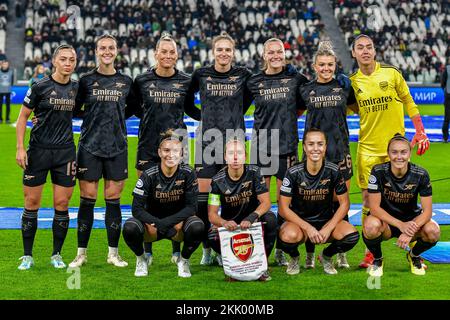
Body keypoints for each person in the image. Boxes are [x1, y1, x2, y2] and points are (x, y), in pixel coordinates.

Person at [349, 34, 430, 268]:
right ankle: (370, 254)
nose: (365, 51)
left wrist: (420, 131)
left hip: (396, 149)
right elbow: (350, 110)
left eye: (369, 47)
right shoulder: (352, 82)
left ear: (374, 51)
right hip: (368, 150)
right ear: (353, 53)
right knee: (367, 201)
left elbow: (409, 101)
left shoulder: (391, 73)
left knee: (406, 194)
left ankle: (413, 243)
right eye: (360, 48)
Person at [68, 34, 137, 268]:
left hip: (117, 147)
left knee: (113, 200)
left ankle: (113, 254)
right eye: (102, 48)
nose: (107, 51)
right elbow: (74, 109)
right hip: (90, 146)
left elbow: (134, 108)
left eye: (111, 48)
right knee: (87, 200)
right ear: (96, 51)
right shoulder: (86, 81)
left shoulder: (126, 82)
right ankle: (81, 253)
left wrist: (114, 119)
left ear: (116, 51)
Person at [133, 33, 201, 264]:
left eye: (172, 52)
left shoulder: (186, 80)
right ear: (155, 54)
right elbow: (133, 108)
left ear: (177, 55)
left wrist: (213, 119)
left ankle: (176, 250)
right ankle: (147, 252)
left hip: (177, 147)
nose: (168, 56)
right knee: (148, 199)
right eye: (164, 51)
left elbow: (191, 108)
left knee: (177, 198)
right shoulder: (141, 80)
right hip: (147, 146)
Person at [187, 31, 253, 265]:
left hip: (234, 144)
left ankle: (231, 247)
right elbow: (187, 101)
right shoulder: (201, 74)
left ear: (233, 53)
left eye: (228, 50)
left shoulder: (243, 75)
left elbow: (248, 101)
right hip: (207, 144)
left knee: (234, 197)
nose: (224, 53)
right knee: (203, 201)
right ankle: (207, 248)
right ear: (213, 52)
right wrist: (202, 116)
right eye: (220, 49)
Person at [246, 38, 308, 267]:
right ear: (264, 55)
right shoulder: (254, 81)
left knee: (285, 203)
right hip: (262, 147)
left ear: (284, 54)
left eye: (279, 52)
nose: (275, 55)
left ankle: (282, 248)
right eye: (270, 52)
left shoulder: (296, 78)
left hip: (287, 147)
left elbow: (303, 104)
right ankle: (257, 247)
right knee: (259, 201)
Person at [15, 44, 78, 270]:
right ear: (54, 61)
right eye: (63, 59)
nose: (68, 63)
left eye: (72, 60)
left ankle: (56, 254)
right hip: (38, 151)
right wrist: (20, 148)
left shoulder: (77, 88)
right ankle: (27, 255)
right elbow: (23, 117)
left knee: (62, 204)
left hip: (65, 153)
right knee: (31, 203)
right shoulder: (39, 86)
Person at [297, 41, 356, 269]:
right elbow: (298, 113)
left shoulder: (344, 87)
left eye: (330, 64)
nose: (325, 68)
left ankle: (340, 252)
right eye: (321, 65)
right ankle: (310, 254)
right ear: (314, 66)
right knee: (310, 204)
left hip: (340, 153)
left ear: (335, 65)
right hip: (313, 156)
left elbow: (356, 109)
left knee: (341, 203)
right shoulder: (305, 89)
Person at [122, 130, 204, 277]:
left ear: (181, 154)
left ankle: (184, 261)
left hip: (177, 226)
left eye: (175, 151)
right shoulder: (148, 174)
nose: (170, 155)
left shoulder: (188, 173)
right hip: (152, 226)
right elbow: (137, 209)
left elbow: (192, 207)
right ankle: (141, 260)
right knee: (129, 228)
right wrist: (157, 223)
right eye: (166, 150)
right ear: (159, 152)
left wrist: (168, 223)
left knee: (197, 226)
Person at [278, 129, 360, 275]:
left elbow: (345, 204)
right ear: (304, 147)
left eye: (320, 144)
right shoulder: (293, 172)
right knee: (286, 236)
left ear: (325, 147)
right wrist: (308, 228)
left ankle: (326, 256)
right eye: (311, 144)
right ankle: (295, 257)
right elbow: (283, 208)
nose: (315, 148)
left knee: (351, 235)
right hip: (300, 226)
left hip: (326, 224)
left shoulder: (334, 170)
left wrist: (328, 228)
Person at [363, 134, 440, 276]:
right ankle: (378, 259)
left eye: (403, 152)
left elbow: (427, 212)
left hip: (411, 222)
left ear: (409, 153)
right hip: (386, 223)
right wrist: (400, 225)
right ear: (388, 154)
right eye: (394, 152)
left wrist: (409, 229)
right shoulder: (378, 171)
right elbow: (374, 208)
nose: (399, 157)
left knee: (433, 231)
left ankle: (414, 255)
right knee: (370, 226)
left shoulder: (421, 174)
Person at [207, 137, 277, 281]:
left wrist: (252, 217)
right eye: (231, 153)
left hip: (253, 220)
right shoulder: (217, 180)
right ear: (225, 157)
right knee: (210, 236)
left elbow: (266, 203)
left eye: (239, 152)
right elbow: (212, 215)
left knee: (270, 219)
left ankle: (262, 266)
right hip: (231, 224)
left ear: (245, 156)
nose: (235, 157)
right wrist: (224, 223)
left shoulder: (255, 172)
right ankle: (232, 265)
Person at [441, 58, 450, 143]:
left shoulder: (447, 69)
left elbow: (442, 83)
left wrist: (445, 90)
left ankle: (445, 137)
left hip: (448, 95)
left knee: (447, 118)